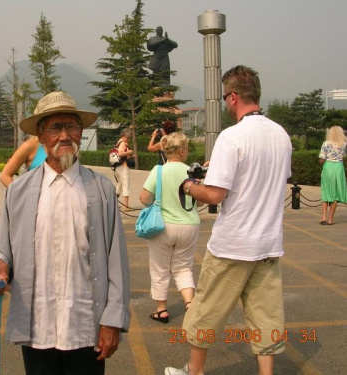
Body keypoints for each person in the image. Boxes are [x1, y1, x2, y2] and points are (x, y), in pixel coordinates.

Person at [0, 91, 130, 375]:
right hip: (38, 324)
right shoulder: (19, 191)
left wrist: (113, 320)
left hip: (86, 325)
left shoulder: (101, 190)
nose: (64, 135)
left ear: (81, 132)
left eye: (71, 126)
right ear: (40, 136)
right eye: (54, 128)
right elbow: (3, 247)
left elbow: (116, 261)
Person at [165, 66, 292, 375]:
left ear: (233, 97)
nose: (225, 103)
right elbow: (266, 179)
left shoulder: (231, 136)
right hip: (268, 244)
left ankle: (193, 372)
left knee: (206, 311)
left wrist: (189, 186)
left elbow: (215, 195)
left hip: (233, 245)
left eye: (225, 98)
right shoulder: (281, 135)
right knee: (266, 317)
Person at [140, 132, 202, 324]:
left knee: (160, 268)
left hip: (163, 226)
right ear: (182, 151)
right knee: (183, 267)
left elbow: (144, 198)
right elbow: (198, 202)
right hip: (190, 225)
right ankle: (189, 303)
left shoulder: (159, 171)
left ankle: (161, 309)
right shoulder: (191, 172)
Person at [319, 125, 347, 225]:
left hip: (328, 167)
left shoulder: (326, 143)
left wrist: (323, 161)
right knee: (334, 193)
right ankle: (331, 219)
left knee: (326, 191)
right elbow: (343, 156)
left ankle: (323, 217)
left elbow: (321, 159)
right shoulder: (343, 144)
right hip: (338, 167)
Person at [115, 128, 135, 210]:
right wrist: (130, 152)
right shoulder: (123, 143)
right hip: (123, 167)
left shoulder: (119, 142)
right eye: (128, 137)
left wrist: (130, 156)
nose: (129, 139)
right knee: (126, 185)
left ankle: (113, 202)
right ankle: (125, 206)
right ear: (124, 136)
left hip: (118, 167)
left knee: (119, 185)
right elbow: (120, 154)